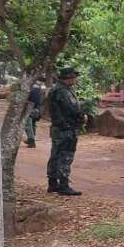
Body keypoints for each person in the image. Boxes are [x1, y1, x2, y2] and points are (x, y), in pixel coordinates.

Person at [46, 67, 86, 196]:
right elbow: (72, 108)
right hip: (66, 128)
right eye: (73, 77)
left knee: (56, 155)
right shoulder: (62, 91)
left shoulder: (57, 89)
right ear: (68, 78)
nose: (75, 79)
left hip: (59, 128)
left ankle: (53, 183)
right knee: (65, 155)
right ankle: (63, 185)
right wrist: (82, 117)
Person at [22, 80, 43, 148]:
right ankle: (31, 138)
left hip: (30, 109)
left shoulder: (30, 89)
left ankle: (31, 141)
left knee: (28, 125)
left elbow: (26, 99)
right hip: (37, 109)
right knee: (33, 124)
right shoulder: (39, 89)